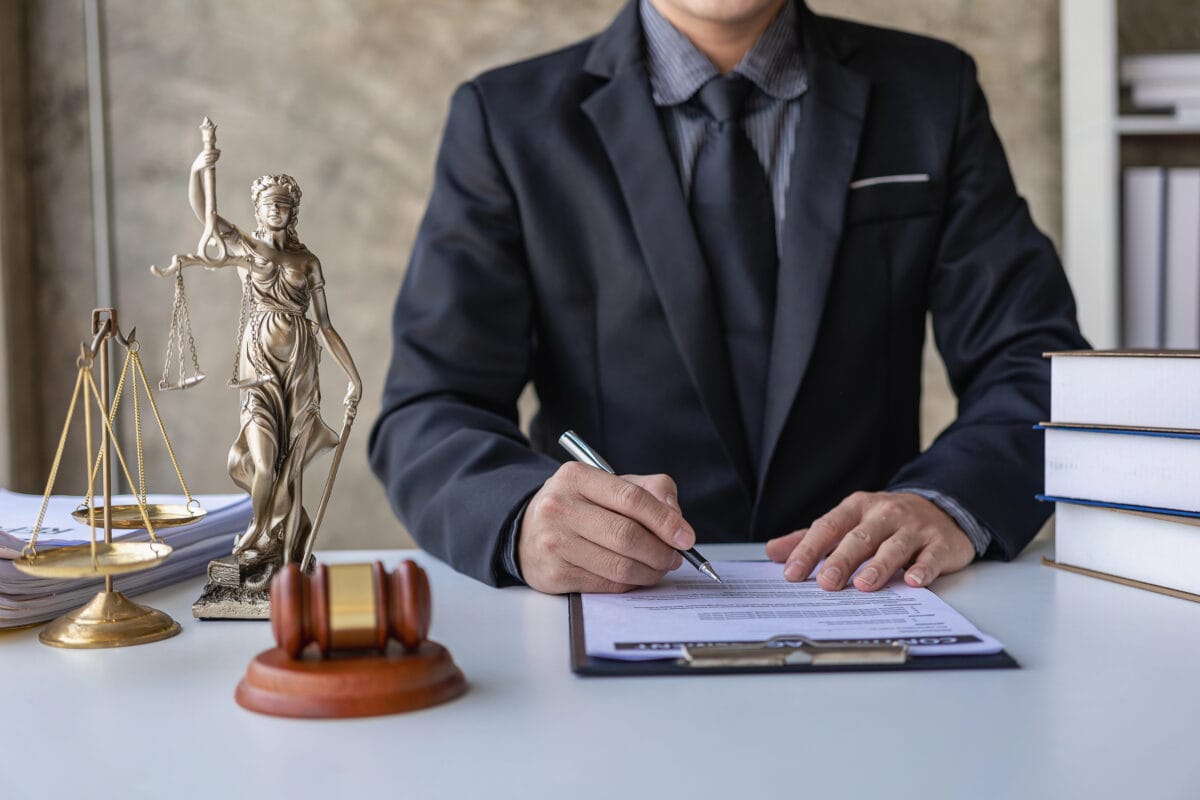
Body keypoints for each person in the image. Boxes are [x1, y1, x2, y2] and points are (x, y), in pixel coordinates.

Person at [369, 0, 1088, 595]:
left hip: (872, 601)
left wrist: (946, 501)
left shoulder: (932, 93)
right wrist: (521, 515)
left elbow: (1035, 361)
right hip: (619, 613)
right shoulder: (507, 121)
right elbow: (430, 407)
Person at [171, 152, 362, 587]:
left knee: (291, 463)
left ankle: (282, 548)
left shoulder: (308, 262)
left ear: (293, 212)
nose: (275, 210)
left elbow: (327, 325)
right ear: (257, 210)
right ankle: (258, 536)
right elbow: (206, 216)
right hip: (258, 369)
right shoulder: (244, 249)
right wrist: (199, 167)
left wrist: (353, 376)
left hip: (300, 369)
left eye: (283, 205)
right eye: (268, 204)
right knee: (262, 460)